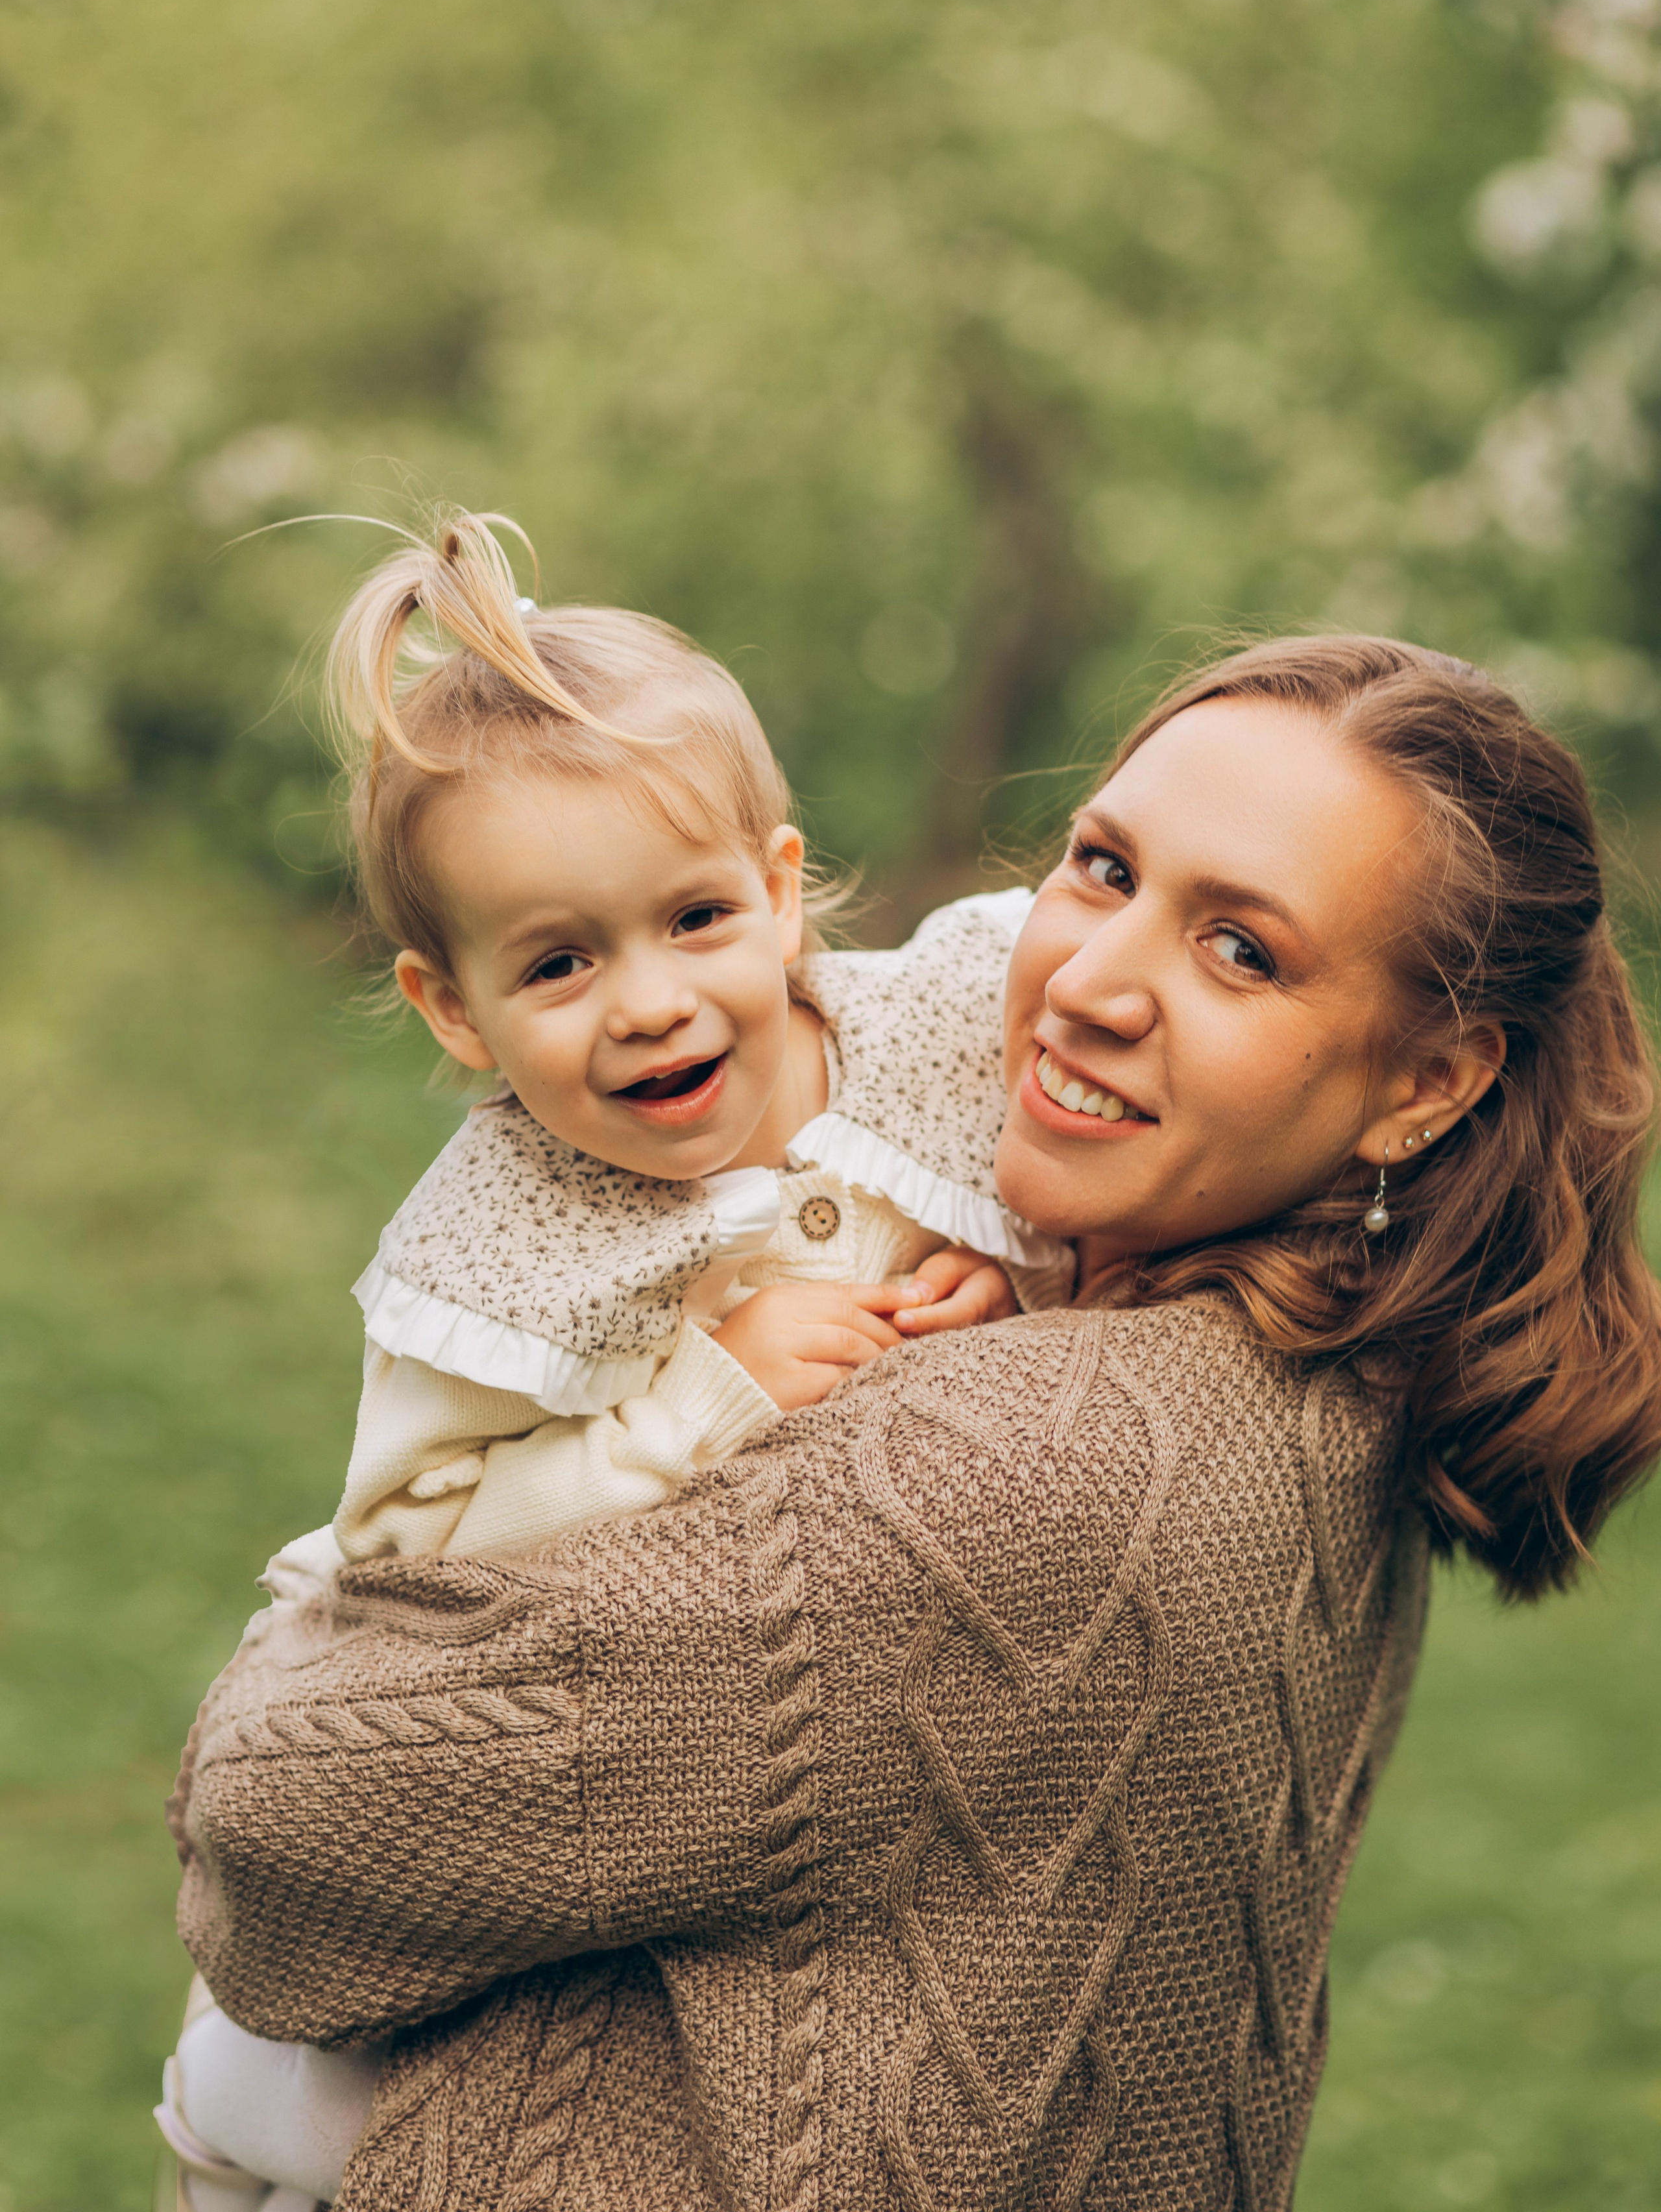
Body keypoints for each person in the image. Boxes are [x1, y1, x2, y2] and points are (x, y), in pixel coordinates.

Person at [167, 635, 1661, 2210]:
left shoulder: (1016, 1467)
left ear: (1423, 1082)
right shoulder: (1341, 1373)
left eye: (1241, 951)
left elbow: (277, 1847)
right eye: (1100, 868)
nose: (1084, 980)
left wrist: (288, 1654)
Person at [155, 506, 1066, 2205]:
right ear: (454, 1010)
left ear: (782, 893)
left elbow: (1075, 1190)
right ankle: (230, 2121)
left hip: (755, 1758)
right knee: (326, 2096)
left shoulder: (930, 1047)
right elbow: (403, 1552)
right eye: (560, 963)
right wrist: (698, 1401)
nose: (649, 1001)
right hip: (431, 1712)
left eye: (696, 917)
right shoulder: (500, 1238)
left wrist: (1010, 1284)